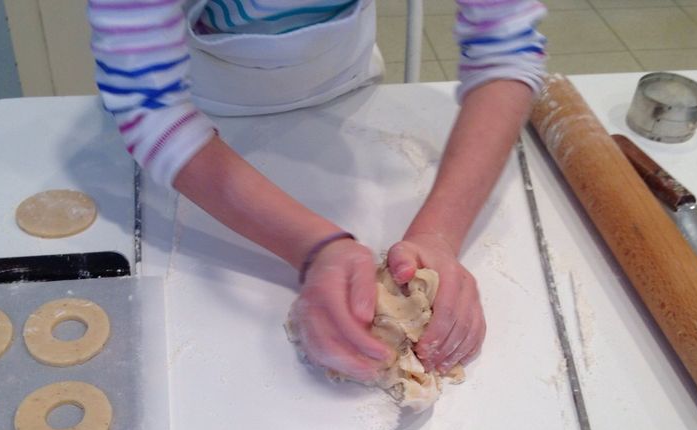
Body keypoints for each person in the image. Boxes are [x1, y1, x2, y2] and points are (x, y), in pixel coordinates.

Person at [88, 0, 546, 382]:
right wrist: (311, 244)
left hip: (348, 91)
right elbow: (147, 105)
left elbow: (505, 49)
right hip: (201, 136)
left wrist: (439, 236)